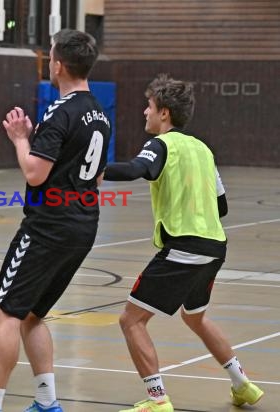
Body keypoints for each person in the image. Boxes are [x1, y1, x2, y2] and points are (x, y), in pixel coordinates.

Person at [103, 74, 264, 412]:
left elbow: (135, 170)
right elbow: (222, 206)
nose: (144, 112)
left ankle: (157, 398)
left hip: (184, 248)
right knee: (196, 318)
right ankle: (243, 385)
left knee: (131, 321)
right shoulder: (204, 150)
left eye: (148, 106)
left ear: (164, 113)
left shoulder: (161, 145)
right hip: (215, 247)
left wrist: (89, 171)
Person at [0, 29, 110, 412]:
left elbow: (35, 173)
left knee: (5, 312)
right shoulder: (100, 113)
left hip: (49, 226)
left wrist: (21, 138)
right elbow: (98, 176)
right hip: (84, 225)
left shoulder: (61, 109)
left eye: (50, 55)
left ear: (58, 64)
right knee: (33, 316)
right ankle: (47, 401)